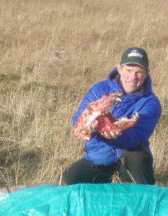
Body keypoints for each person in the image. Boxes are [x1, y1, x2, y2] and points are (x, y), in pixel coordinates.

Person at [62, 47, 162, 185]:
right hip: (98, 157)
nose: (133, 77)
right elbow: (77, 120)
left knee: (138, 157)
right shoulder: (100, 89)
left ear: (146, 73)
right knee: (67, 180)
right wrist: (89, 127)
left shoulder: (150, 102)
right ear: (119, 69)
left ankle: (147, 198)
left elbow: (137, 135)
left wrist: (115, 134)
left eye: (139, 72)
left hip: (128, 156)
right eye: (129, 70)